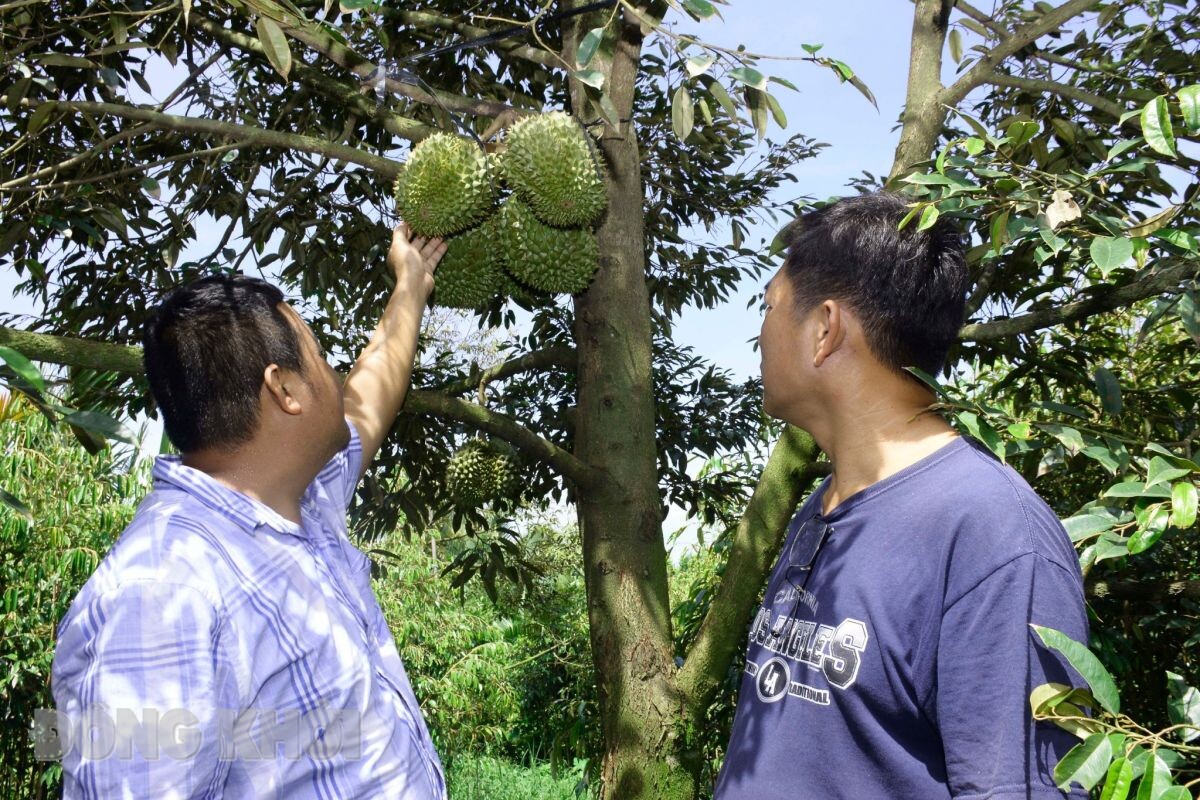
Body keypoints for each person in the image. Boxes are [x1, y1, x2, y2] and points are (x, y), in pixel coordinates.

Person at [51, 224, 448, 798]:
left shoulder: (302, 506)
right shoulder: (163, 587)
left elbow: (368, 400)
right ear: (284, 389)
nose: (337, 374)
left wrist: (410, 284)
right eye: (319, 355)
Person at [714, 193, 1089, 799]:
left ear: (825, 329)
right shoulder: (825, 508)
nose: (760, 332)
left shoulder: (993, 536)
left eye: (770, 306)